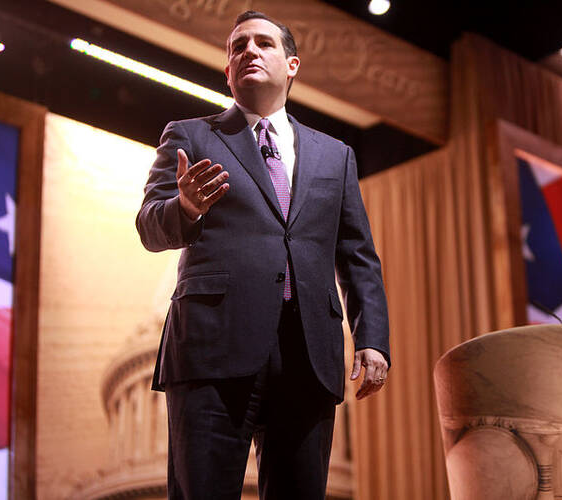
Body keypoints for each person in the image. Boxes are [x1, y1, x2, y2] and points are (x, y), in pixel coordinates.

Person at [136, 10, 390, 500]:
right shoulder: (190, 135)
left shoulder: (334, 155)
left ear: (292, 65)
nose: (249, 51)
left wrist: (372, 336)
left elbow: (357, 253)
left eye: (263, 43)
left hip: (307, 353)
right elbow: (150, 227)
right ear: (227, 73)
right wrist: (184, 206)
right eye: (238, 47)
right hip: (211, 348)